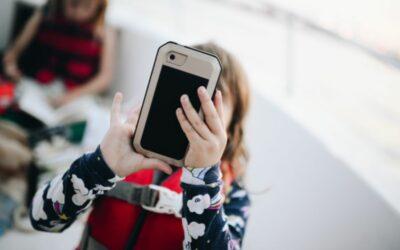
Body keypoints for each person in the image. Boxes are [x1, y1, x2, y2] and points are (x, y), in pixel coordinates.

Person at [30, 43, 251, 249]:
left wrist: (204, 183)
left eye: (211, 107)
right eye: (189, 99)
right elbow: (42, 219)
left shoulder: (233, 194)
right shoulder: (121, 153)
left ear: (230, 131)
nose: (195, 114)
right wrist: (101, 167)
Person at [2, 0, 115, 107]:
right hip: (38, 88)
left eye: (87, 7)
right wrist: (10, 67)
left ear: (99, 6)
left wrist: (72, 96)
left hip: (76, 96)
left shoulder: (103, 31)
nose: (77, 12)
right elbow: (12, 54)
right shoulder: (45, 15)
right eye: (73, 4)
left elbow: (105, 78)